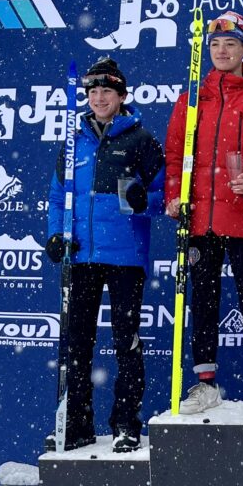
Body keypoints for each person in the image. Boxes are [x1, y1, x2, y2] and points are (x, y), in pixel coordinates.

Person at [164, 11, 243, 415]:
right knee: (203, 299)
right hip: (199, 219)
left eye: (230, 44)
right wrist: (173, 196)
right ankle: (205, 384)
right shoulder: (191, 100)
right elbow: (174, 157)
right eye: (215, 45)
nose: (221, 51)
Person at [44, 57, 164, 453]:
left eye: (106, 92)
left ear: (121, 96)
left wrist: (143, 199)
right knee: (77, 343)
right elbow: (58, 195)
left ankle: (126, 424)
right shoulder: (72, 138)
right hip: (80, 255)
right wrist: (55, 235)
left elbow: (165, 197)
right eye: (93, 92)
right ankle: (75, 425)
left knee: (126, 341)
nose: (99, 98)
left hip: (126, 256)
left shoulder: (141, 139)